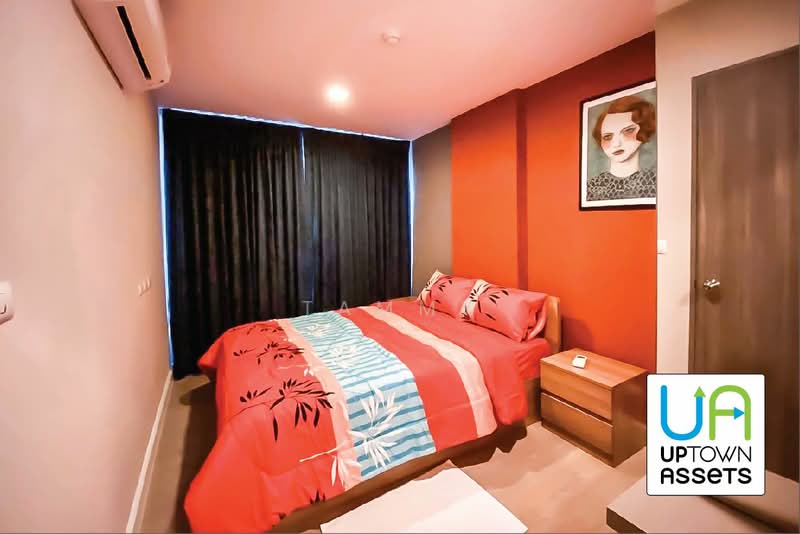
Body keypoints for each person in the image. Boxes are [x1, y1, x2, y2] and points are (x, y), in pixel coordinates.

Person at [587, 95, 656, 201]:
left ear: (644, 129)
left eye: (628, 131)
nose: (616, 143)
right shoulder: (591, 188)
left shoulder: (655, 182)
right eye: (607, 137)